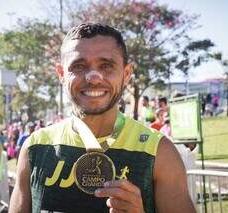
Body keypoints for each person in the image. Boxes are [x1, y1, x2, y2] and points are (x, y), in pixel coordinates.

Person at [10, 23, 195, 213]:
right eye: (79, 66)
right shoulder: (35, 147)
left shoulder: (159, 152)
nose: (93, 77)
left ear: (126, 74)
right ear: (61, 74)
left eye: (106, 65)